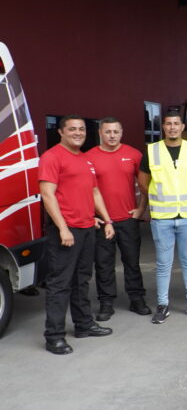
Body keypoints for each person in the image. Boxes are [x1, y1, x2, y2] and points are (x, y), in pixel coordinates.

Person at [39, 115, 113, 354]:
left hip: (87, 228)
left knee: (81, 281)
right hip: (66, 231)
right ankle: (54, 336)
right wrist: (62, 227)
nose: (78, 133)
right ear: (61, 132)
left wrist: (106, 220)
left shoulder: (85, 159)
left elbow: (94, 192)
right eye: (72, 129)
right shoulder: (52, 157)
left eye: (81, 129)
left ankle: (83, 324)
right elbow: (47, 195)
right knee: (60, 284)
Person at [138, 111, 187, 324]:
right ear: (163, 127)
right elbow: (143, 182)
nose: (172, 127)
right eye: (168, 124)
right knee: (163, 263)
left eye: (176, 124)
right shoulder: (153, 150)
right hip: (162, 216)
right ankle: (162, 305)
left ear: (182, 126)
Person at [86, 116, 150, 321]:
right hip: (102, 221)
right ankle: (106, 302)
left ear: (121, 133)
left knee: (132, 261)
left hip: (128, 219)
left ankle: (137, 298)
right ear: (100, 133)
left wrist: (141, 209)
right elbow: (84, 190)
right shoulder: (89, 157)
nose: (112, 135)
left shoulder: (134, 154)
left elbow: (145, 185)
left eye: (116, 131)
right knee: (103, 264)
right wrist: (90, 216)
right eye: (108, 131)